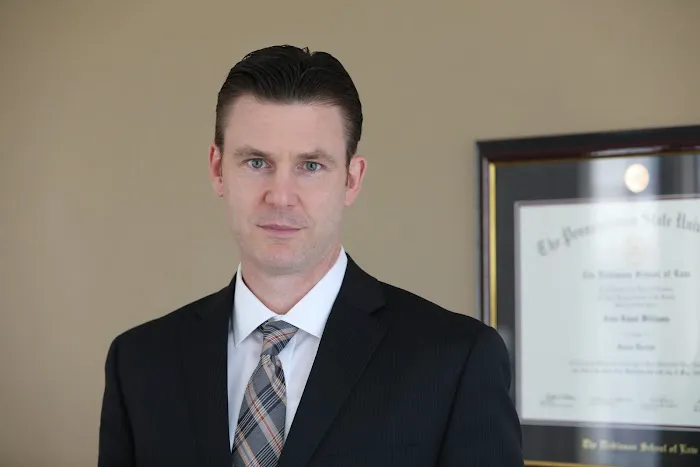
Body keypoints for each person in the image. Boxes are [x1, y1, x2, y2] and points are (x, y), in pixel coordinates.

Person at [98, 44, 523, 467]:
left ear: (352, 180)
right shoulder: (138, 362)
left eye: (311, 166)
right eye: (256, 162)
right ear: (217, 169)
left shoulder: (456, 360)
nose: (281, 196)